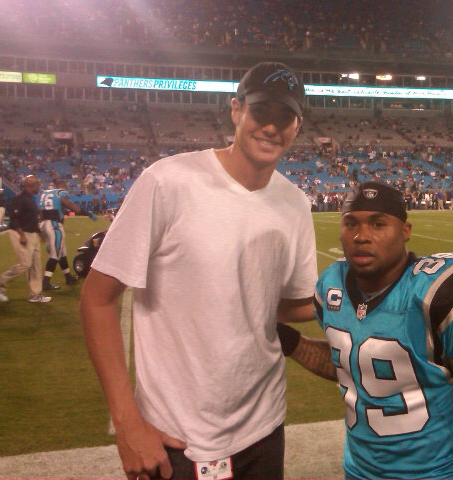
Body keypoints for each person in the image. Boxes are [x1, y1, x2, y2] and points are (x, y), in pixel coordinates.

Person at [80, 61, 317, 480]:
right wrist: (127, 423)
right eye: (261, 111)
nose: (272, 127)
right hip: (175, 436)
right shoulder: (168, 182)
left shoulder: (295, 202)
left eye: (286, 117)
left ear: (298, 126)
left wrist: (362, 294)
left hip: (264, 427)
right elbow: (97, 299)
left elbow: (280, 304)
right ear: (236, 110)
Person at [277, 181, 453, 479]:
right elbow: (352, 364)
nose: (361, 236)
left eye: (378, 224)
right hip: (359, 472)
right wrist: (290, 341)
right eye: (351, 223)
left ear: (405, 230)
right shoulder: (333, 285)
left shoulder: (436, 297)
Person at [0, 175, 51, 303]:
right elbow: (14, 218)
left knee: (36, 265)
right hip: (21, 233)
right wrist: (21, 235)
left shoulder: (31, 198)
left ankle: (35, 294)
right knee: (25, 264)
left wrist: (39, 233)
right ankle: (1, 282)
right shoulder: (20, 199)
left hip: (32, 234)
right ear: (31, 185)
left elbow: (32, 219)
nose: (39, 187)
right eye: (38, 184)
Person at [39, 179, 97, 290]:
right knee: (55, 255)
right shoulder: (60, 192)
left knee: (62, 253)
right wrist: (88, 213)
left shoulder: (45, 193)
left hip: (44, 224)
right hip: (54, 225)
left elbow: (40, 211)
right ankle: (46, 282)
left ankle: (68, 277)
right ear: (62, 186)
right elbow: (73, 207)